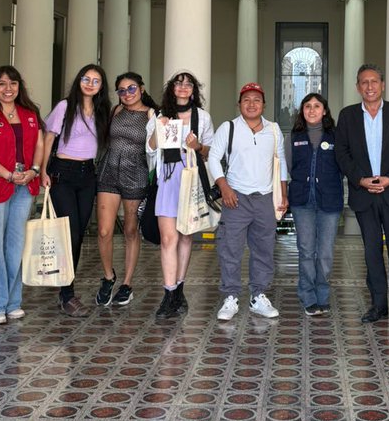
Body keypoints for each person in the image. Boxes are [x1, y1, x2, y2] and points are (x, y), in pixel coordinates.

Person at [335, 64, 389, 326]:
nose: (369, 86)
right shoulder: (347, 116)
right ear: (357, 87)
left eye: (374, 81)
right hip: (364, 195)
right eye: (364, 82)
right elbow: (342, 153)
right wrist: (361, 179)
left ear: (382, 84)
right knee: (371, 252)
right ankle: (378, 305)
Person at [207, 83, 288, 321]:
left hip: (264, 199)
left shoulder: (273, 130)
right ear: (239, 104)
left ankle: (258, 296)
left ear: (263, 104)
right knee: (230, 249)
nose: (251, 104)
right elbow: (213, 158)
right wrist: (224, 187)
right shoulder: (229, 127)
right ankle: (230, 297)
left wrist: (283, 194)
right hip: (236, 198)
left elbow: (280, 162)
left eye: (257, 100)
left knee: (263, 249)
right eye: (246, 100)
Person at [0, 66, 44, 325]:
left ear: (19, 87)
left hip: (24, 184)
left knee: (15, 245)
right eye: (1, 83)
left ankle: (12, 301)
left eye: (12, 83)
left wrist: (34, 171)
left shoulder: (30, 114)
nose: (7, 88)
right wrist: (8, 175)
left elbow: (39, 144)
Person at [43, 64, 112, 317]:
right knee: (69, 233)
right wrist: (41, 171)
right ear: (79, 80)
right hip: (63, 173)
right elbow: (48, 138)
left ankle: (65, 288)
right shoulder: (65, 106)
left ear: (101, 86)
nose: (90, 84)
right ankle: (67, 295)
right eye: (86, 78)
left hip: (88, 175)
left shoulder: (102, 111)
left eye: (96, 80)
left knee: (79, 235)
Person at [146, 70, 215, 320]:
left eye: (188, 84)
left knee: (186, 237)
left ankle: (180, 288)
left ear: (194, 90)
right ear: (172, 89)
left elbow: (211, 151)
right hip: (167, 178)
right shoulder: (160, 115)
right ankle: (168, 292)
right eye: (179, 83)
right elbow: (150, 149)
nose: (183, 87)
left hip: (192, 179)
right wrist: (158, 127)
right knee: (168, 239)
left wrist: (197, 146)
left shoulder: (203, 117)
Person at [95, 71, 158, 308]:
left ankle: (127, 283)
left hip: (136, 174)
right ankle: (109, 277)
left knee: (131, 230)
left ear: (141, 88)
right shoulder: (116, 111)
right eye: (122, 90)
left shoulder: (151, 114)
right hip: (109, 172)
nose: (127, 94)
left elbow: (154, 146)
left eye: (131, 88)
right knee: (104, 230)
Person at [285, 92, 344, 316]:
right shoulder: (294, 136)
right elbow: (289, 167)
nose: (312, 110)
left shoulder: (337, 136)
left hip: (330, 201)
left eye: (316, 106)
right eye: (307, 106)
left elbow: (343, 166)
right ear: (302, 110)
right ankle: (307, 295)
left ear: (325, 111)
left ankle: (323, 294)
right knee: (306, 250)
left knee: (326, 252)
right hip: (302, 202)